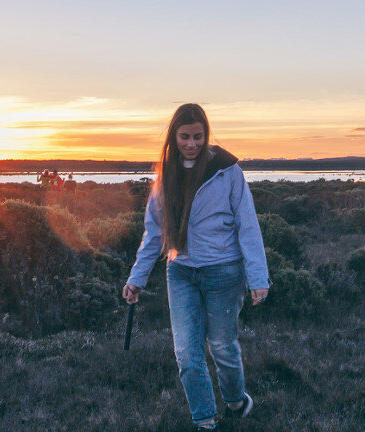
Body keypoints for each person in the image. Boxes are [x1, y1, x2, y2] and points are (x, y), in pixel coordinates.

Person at [122, 103, 271, 431]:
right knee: (188, 355)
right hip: (181, 272)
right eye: (185, 136)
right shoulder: (165, 176)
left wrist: (258, 277)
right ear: (174, 137)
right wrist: (137, 279)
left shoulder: (227, 169)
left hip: (225, 272)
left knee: (222, 347)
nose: (191, 143)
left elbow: (247, 224)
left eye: (198, 136)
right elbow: (154, 233)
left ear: (206, 135)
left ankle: (235, 401)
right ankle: (205, 421)